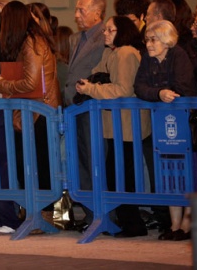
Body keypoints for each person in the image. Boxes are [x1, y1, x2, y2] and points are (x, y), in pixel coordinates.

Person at [75, 16, 149, 238]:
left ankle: (133, 224)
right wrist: (88, 84)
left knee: (123, 175)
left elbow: (123, 90)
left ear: (123, 31)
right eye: (105, 29)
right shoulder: (112, 52)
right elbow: (98, 76)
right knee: (116, 174)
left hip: (126, 125)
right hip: (116, 124)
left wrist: (90, 89)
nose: (105, 33)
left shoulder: (126, 53)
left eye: (110, 29)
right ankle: (126, 222)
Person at [0, 0, 62, 234]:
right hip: (34, 110)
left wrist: (4, 84)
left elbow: (32, 82)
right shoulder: (31, 39)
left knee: (38, 165)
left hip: (39, 112)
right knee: (31, 163)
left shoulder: (31, 41)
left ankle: (43, 215)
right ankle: (34, 212)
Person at [134, 20, 197, 241]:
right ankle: (174, 223)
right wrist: (159, 93)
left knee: (187, 171)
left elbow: (184, 86)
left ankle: (188, 222)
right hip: (163, 122)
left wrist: (162, 93)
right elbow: (139, 87)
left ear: (166, 41)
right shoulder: (147, 59)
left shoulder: (178, 55)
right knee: (168, 171)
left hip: (186, 121)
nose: (149, 45)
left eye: (153, 40)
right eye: (147, 40)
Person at [64, 0, 107, 208]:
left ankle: (101, 211)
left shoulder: (104, 37)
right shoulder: (76, 38)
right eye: (76, 9)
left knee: (94, 160)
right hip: (75, 107)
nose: (76, 15)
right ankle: (90, 212)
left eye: (81, 10)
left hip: (93, 107)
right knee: (80, 162)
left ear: (97, 13)